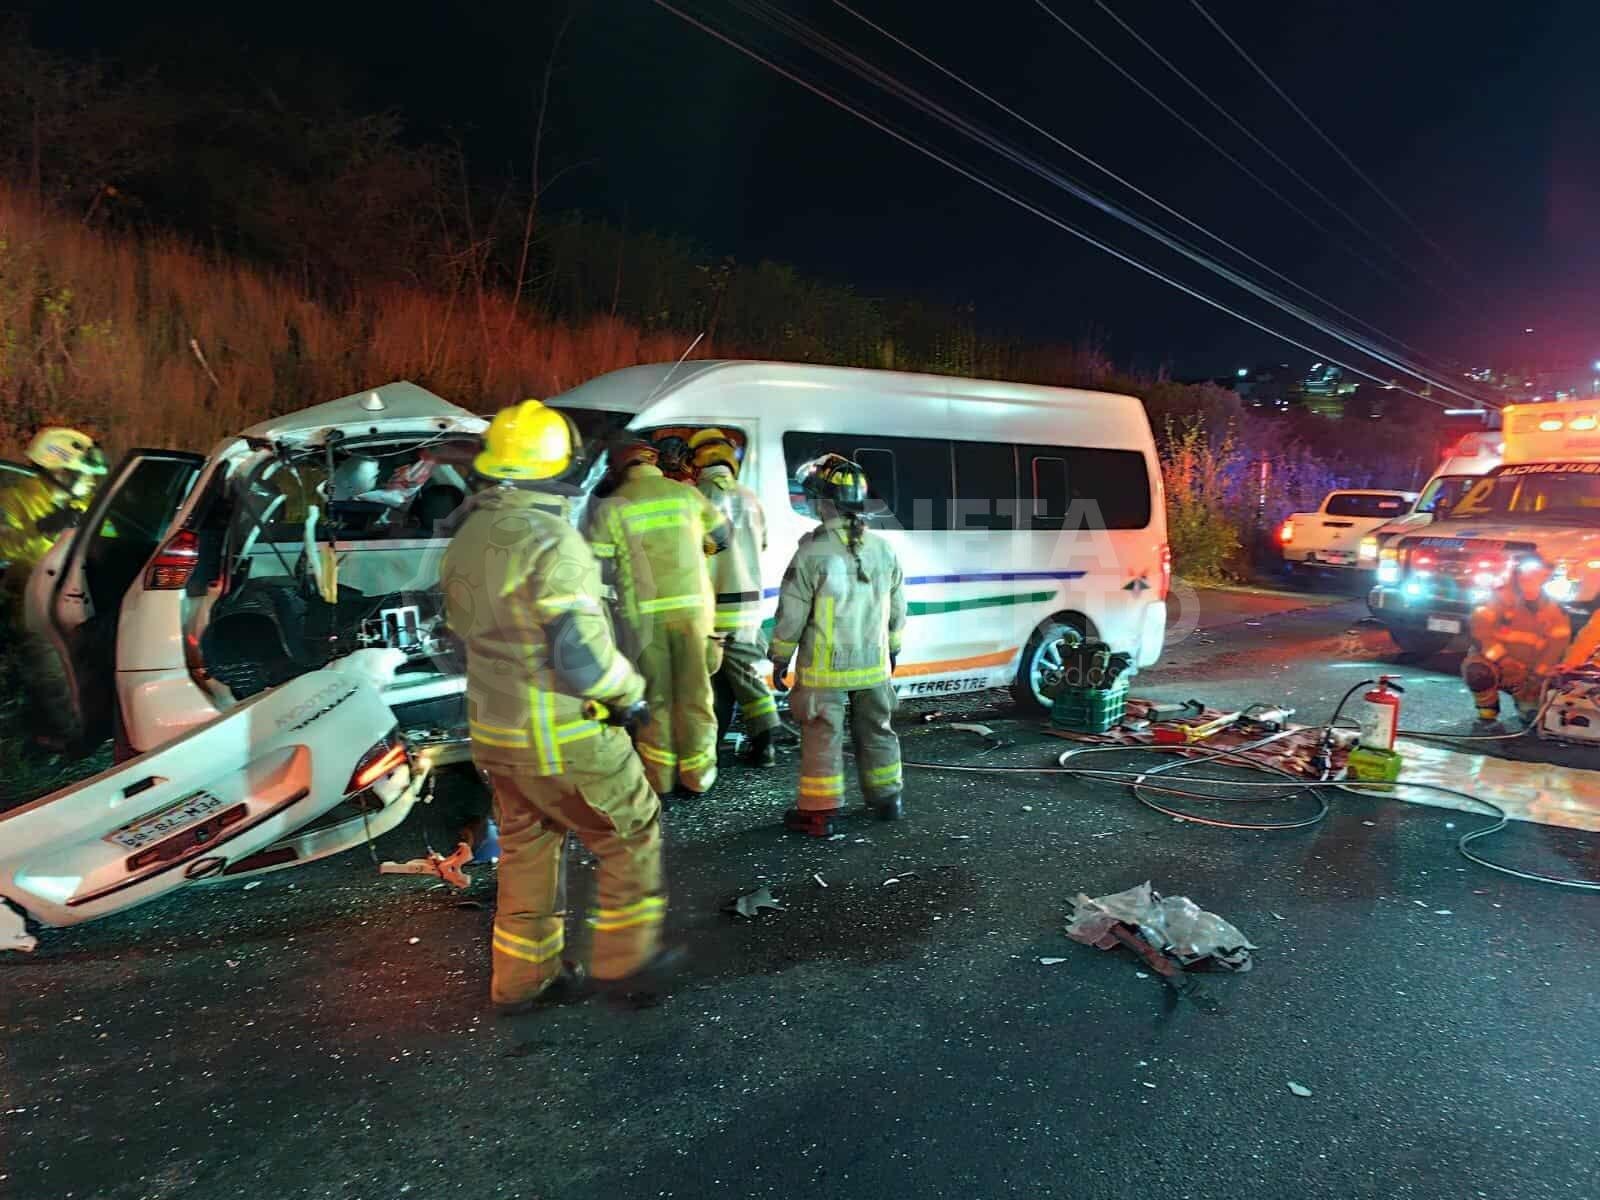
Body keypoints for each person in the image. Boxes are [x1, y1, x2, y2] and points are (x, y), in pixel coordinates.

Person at [440, 400, 681, 1014]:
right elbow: (581, 658)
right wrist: (630, 696)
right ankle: (626, 966)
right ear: (559, 468)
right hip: (563, 734)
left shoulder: (468, 537)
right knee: (629, 832)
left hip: (496, 734)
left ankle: (522, 982)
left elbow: (455, 640)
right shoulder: (553, 539)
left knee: (529, 850)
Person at [769, 454, 906, 836]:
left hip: (824, 670)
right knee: (878, 729)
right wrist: (893, 649)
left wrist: (780, 657)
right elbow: (897, 607)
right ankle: (887, 799)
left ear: (824, 502)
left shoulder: (812, 552)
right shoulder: (883, 548)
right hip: (874, 665)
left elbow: (791, 614)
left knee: (822, 735)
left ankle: (820, 812)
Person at [587, 439, 730, 797]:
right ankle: (698, 777)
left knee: (657, 699)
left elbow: (597, 567)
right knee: (696, 696)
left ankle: (660, 778)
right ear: (654, 462)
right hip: (694, 614)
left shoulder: (611, 507)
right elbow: (722, 537)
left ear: (618, 470)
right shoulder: (687, 495)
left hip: (643, 619)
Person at [0, 427, 109, 748]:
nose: (91, 482)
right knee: (50, 668)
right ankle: (65, 737)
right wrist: (41, 529)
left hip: (79, 594)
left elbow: (111, 540)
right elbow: (4, 546)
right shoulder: (14, 500)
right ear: (60, 471)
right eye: (84, 475)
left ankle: (93, 724)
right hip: (31, 595)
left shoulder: (87, 504)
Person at [689, 428, 781, 767]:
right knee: (734, 678)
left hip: (712, 607)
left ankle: (762, 743)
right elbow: (763, 544)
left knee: (720, 681)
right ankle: (750, 746)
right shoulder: (750, 498)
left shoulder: (695, 498)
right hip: (748, 606)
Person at [1462, 557, 1571, 730]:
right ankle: (1487, 713)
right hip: (1498, 664)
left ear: (1545, 577)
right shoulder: (1496, 599)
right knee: (1478, 670)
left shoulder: (1555, 610)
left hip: (1529, 673)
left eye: (1536, 573)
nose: (1528, 578)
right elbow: (1482, 634)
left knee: (1532, 717)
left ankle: (1527, 705)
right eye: (1523, 573)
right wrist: (1504, 660)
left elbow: (1556, 647)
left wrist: (1538, 675)